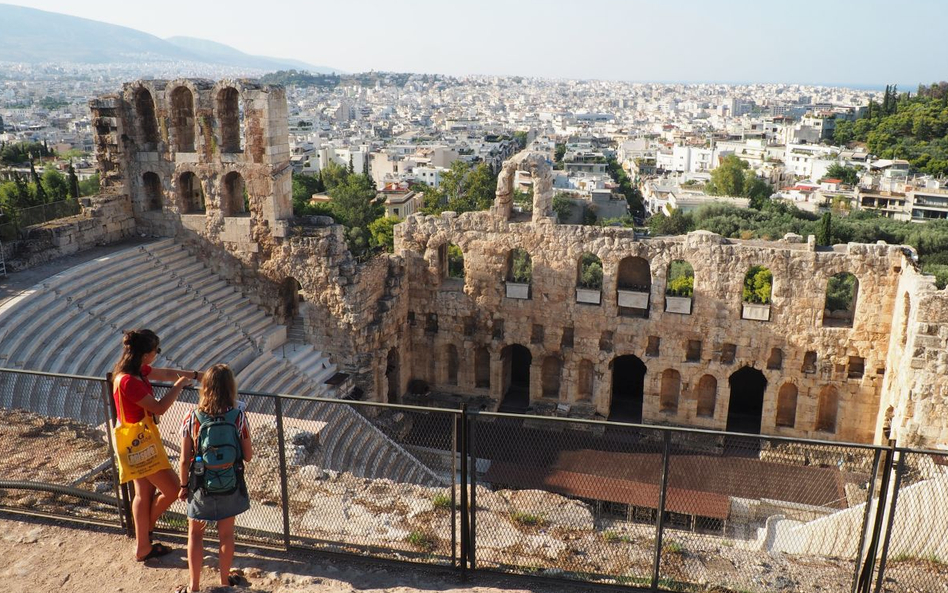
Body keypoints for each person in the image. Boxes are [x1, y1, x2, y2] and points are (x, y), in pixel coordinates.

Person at [112, 328, 203, 562]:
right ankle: (145, 532)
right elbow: (159, 408)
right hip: (140, 443)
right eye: (155, 351)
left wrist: (194, 374)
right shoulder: (129, 381)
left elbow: (164, 373)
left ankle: (143, 545)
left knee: (142, 493)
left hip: (134, 441)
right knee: (174, 489)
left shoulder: (128, 372)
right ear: (145, 355)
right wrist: (181, 385)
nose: (156, 355)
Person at [176, 364, 252, 593]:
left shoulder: (192, 417)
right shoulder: (238, 416)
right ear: (230, 388)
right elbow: (248, 456)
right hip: (230, 484)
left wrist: (183, 486)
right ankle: (223, 583)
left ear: (205, 387)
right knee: (226, 535)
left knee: (195, 534)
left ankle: (194, 586)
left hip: (200, 485)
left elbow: (183, 459)